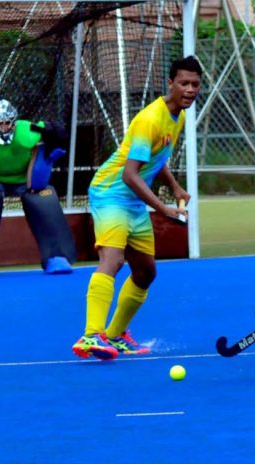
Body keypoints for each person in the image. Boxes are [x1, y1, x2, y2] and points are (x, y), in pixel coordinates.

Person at [71, 56, 200, 360]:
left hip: (132, 199)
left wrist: (174, 186)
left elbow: (157, 156)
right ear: (170, 84)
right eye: (184, 83)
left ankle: (115, 336)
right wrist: (162, 208)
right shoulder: (149, 119)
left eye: (195, 84)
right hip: (111, 194)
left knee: (145, 272)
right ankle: (91, 335)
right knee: (113, 259)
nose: (190, 89)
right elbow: (130, 174)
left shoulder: (177, 116)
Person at [0, 99, 76, 277]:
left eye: (7, 123)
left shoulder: (28, 131)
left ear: (14, 121)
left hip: (27, 181)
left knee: (46, 201)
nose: (3, 127)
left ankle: (56, 255)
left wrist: (53, 144)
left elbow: (54, 133)